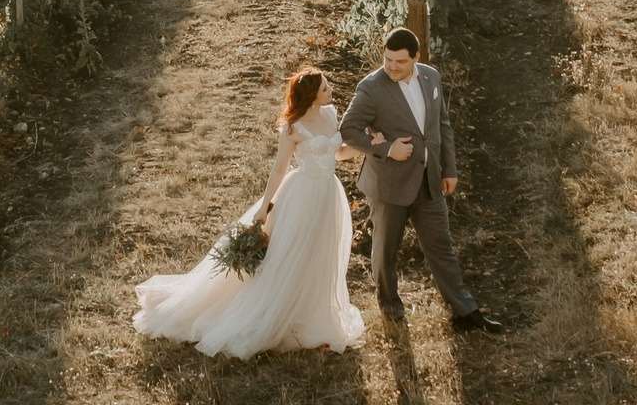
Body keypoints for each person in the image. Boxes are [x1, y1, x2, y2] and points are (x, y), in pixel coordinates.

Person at [133, 66, 368, 358]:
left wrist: (367, 147)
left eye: (328, 85)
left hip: (329, 194)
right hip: (303, 195)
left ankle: (311, 310)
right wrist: (265, 207)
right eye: (324, 88)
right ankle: (277, 313)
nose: (330, 90)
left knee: (320, 252)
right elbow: (280, 168)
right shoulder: (293, 128)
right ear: (311, 96)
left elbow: (338, 153)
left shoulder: (330, 115)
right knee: (291, 254)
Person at [339, 27, 506, 333]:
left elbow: (441, 125)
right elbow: (348, 129)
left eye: (400, 61)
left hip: (429, 181)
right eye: (388, 59)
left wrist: (449, 169)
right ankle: (392, 312)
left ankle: (464, 311)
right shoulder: (371, 88)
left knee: (442, 248)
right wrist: (388, 148)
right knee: (385, 253)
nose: (391, 67)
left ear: (416, 57)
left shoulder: (431, 77)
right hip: (389, 186)